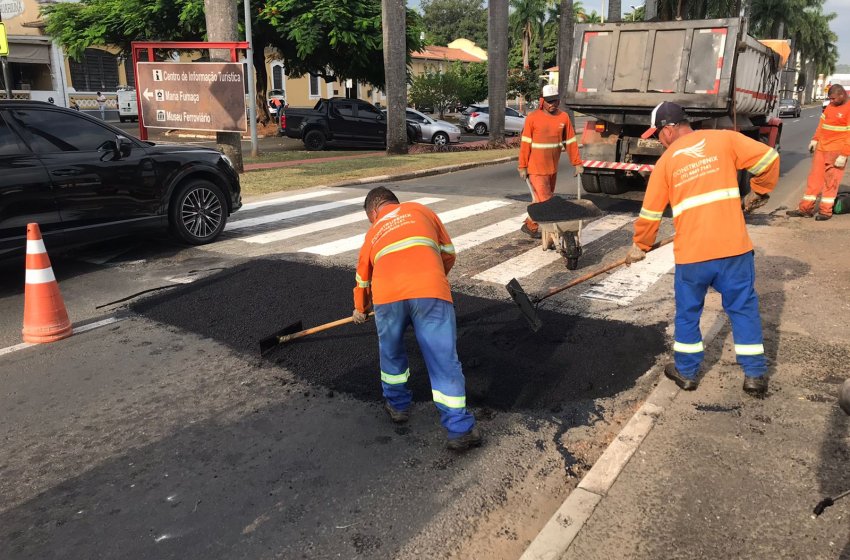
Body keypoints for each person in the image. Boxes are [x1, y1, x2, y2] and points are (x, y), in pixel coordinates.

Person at [625, 101, 780, 397]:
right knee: (743, 309)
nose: (658, 139)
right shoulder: (724, 139)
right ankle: (755, 375)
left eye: (658, 133)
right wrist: (759, 191)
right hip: (733, 249)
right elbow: (769, 158)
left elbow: (650, 214)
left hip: (693, 255)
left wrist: (640, 246)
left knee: (688, 313)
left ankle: (686, 373)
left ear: (670, 129)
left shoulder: (667, 163)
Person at [352, 187, 481, 451]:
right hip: (430, 291)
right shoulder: (422, 211)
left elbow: (363, 277)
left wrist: (360, 307)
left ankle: (397, 406)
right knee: (443, 358)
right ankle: (459, 429)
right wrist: (433, 278)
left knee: (391, 353)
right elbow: (447, 252)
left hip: (387, 297)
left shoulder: (374, 231)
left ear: (374, 211)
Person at [517, 83, 583, 239]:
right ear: (542, 101)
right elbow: (525, 144)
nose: (552, 104)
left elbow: (571, 142)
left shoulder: (563, 117)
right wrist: (522, 166)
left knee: (541, 201)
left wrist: (577, 163)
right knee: (546, 202)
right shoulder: (533, 118)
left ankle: (530, 225)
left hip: (552, 169)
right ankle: (556, 235)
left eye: (555, 100)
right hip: (536, 169)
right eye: (549, 101)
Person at [787, 84, 850, 221]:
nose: (831, 101)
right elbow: (821, 125)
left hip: (837, 151)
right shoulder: (830, 107)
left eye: (833, 98)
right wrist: (815, 140)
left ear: (842, 95)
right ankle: (805, 209)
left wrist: (844, 154)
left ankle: (825, 212)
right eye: (830, 98)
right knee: (814, 180)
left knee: (831, 182)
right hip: (822, 149)